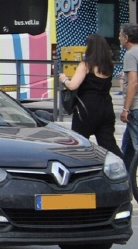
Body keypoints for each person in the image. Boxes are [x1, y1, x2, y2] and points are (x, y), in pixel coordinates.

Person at [58, 33, 122, 157]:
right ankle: (124, 168)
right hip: (106, 106)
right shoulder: (108, 66)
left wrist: (64, 79)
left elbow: (73, 85)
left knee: (79, 143)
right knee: (108, 144)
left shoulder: (86, 65)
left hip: (87, 107)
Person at [118, 23, 138, 167]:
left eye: (120, 35)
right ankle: (126, 184)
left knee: (135, 148)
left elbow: (133, 83)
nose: (119, 38)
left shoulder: (130, 54)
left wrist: (126, 109)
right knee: (127, 150)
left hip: (136, 108)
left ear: (126, 37)